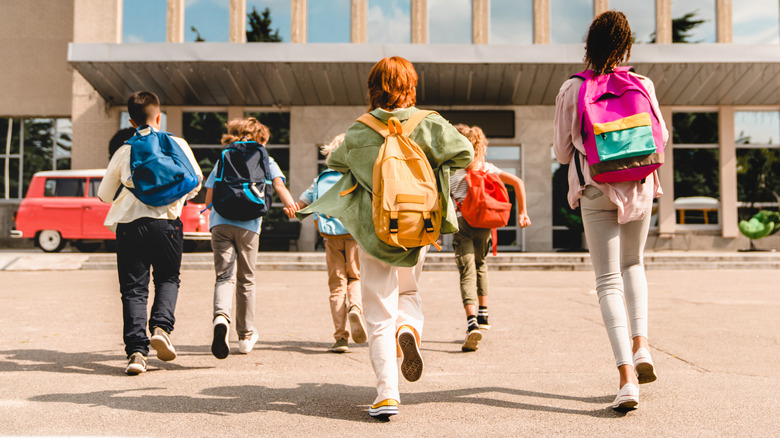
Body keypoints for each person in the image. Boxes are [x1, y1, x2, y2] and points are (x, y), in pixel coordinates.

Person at [297, 56, 473, 419]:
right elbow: (465, 153)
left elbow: (335, 165)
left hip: (375, 231)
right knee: (409, 291)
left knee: (378, 311)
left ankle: (387, 393)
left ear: (373, 88)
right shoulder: (430, 123)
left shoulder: (359, 131)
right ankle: (408, 328)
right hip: (418, 227)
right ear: (411, 86)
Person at [553, 11, 667, 411]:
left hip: (596, 187)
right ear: (626, 47)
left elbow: (562, 151)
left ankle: (626, 379)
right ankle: (642, 346)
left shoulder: (572, 88)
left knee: (607, 281)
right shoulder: (642, 83)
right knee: (634, 265)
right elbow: (661, 138)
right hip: (638, 185)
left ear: (590, 45)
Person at [97, 91, 203, 375]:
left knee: (133, 289)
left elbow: (104, 195)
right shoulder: (176, 143)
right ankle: (161, 328)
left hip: (131, 226)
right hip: (168, 224)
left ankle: (136, 354)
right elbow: (196, 181)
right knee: (168, 278)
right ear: (159, 117)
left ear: (131, 121)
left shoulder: (125, 150)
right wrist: (172, 199)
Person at [205, 117, 299, 359]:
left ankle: (220, 318)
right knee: (246, 280)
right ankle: (245, 336)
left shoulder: (224, 156)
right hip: (249, 226)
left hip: (220, 223)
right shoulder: (267, 159)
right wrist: (292, 207)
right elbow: (279, 187)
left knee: (224, 277)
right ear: (261, 139)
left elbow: (209, 198)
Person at [449, 124, 531, 352]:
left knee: (467, 271)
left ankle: (471, 322)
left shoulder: (453, 171)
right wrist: (522, 212)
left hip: (463, 224)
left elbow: (441, 200)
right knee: (481, 264)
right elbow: (518, 182)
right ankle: (484, 315)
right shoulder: (487, 168)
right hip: (485, 225)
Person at [289, 134, 367, 354]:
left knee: (337, 285)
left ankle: (341, 337)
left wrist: (292, 209)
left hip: (330, 237)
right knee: (355, 277)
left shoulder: (322, 177)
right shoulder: (357, 176)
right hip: (354, 235)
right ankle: (355, 307)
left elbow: (301, 204)